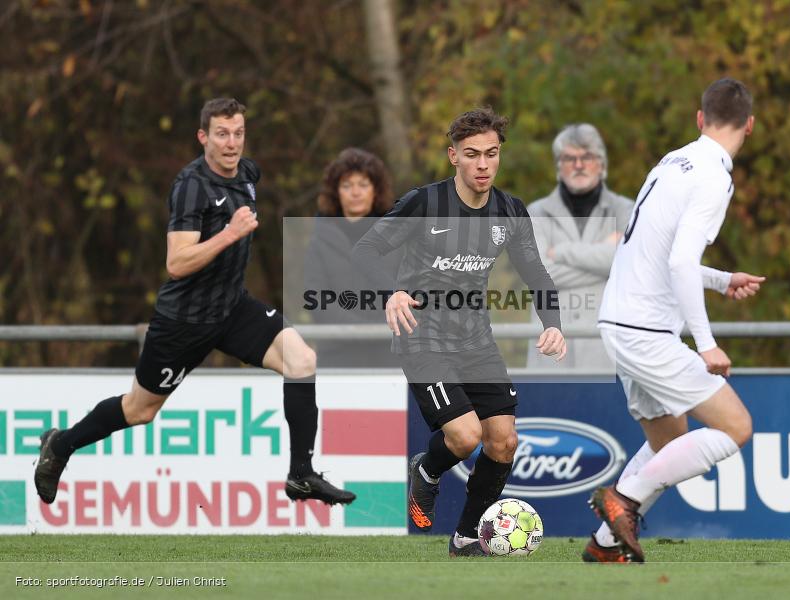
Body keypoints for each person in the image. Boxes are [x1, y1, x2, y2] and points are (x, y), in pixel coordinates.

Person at [34, 98, 355, 508]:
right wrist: (229, 234)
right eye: (222, 134)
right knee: (139, 410)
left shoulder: (248, 173)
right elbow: (176, 263)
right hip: (184, 321)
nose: (231, 142)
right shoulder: (191, 187)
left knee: (301, 361)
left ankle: (301, 475)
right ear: (203, 136)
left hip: (232, 308)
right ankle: (61, 445)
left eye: (238, 133)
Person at [352, 108, 566, 556]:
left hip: (476, 341)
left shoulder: (509, 211)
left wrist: (554, 326)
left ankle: (467, 536)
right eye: (472, 155)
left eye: (491, 154)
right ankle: (427, 471)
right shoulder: (424, 203)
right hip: (422, 338)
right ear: (453, 156)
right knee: (466, 437)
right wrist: (391, 293)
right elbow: (366, 249)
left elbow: (537, 275)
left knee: (504, 441)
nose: (483, 164)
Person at [586, 78, 766, 563]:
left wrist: (721, 278)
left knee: (669, 442)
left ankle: (606, 545)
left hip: (621, 323)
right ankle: (620, 501)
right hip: (645, 330)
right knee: (736, 427)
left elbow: (660, 253)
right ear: (749, 126)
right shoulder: (714, 176)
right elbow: (680, 263)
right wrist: (706, 343)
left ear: (700, 118)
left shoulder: (673, 161)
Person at [527, 124, 633, 371]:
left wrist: (562, 252)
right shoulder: (534, 213)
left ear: (602, 164)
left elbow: (630, 264)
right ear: (558, 166)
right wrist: (605, 259)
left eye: (587, 157)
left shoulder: (626, 210)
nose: (578, 165)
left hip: (607, 351)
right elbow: (539, 274)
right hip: (551, 352)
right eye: (569, 158)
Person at [302, 148, 399, 367]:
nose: (355, 192)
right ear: (336, 192)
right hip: (337, 354)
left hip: (389, 352)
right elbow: (316, 298)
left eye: (363, 185)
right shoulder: (319, 240)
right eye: (347, 185)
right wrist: (357, 330)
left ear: (376, 190)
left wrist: (380, 330)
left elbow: (407, 291)